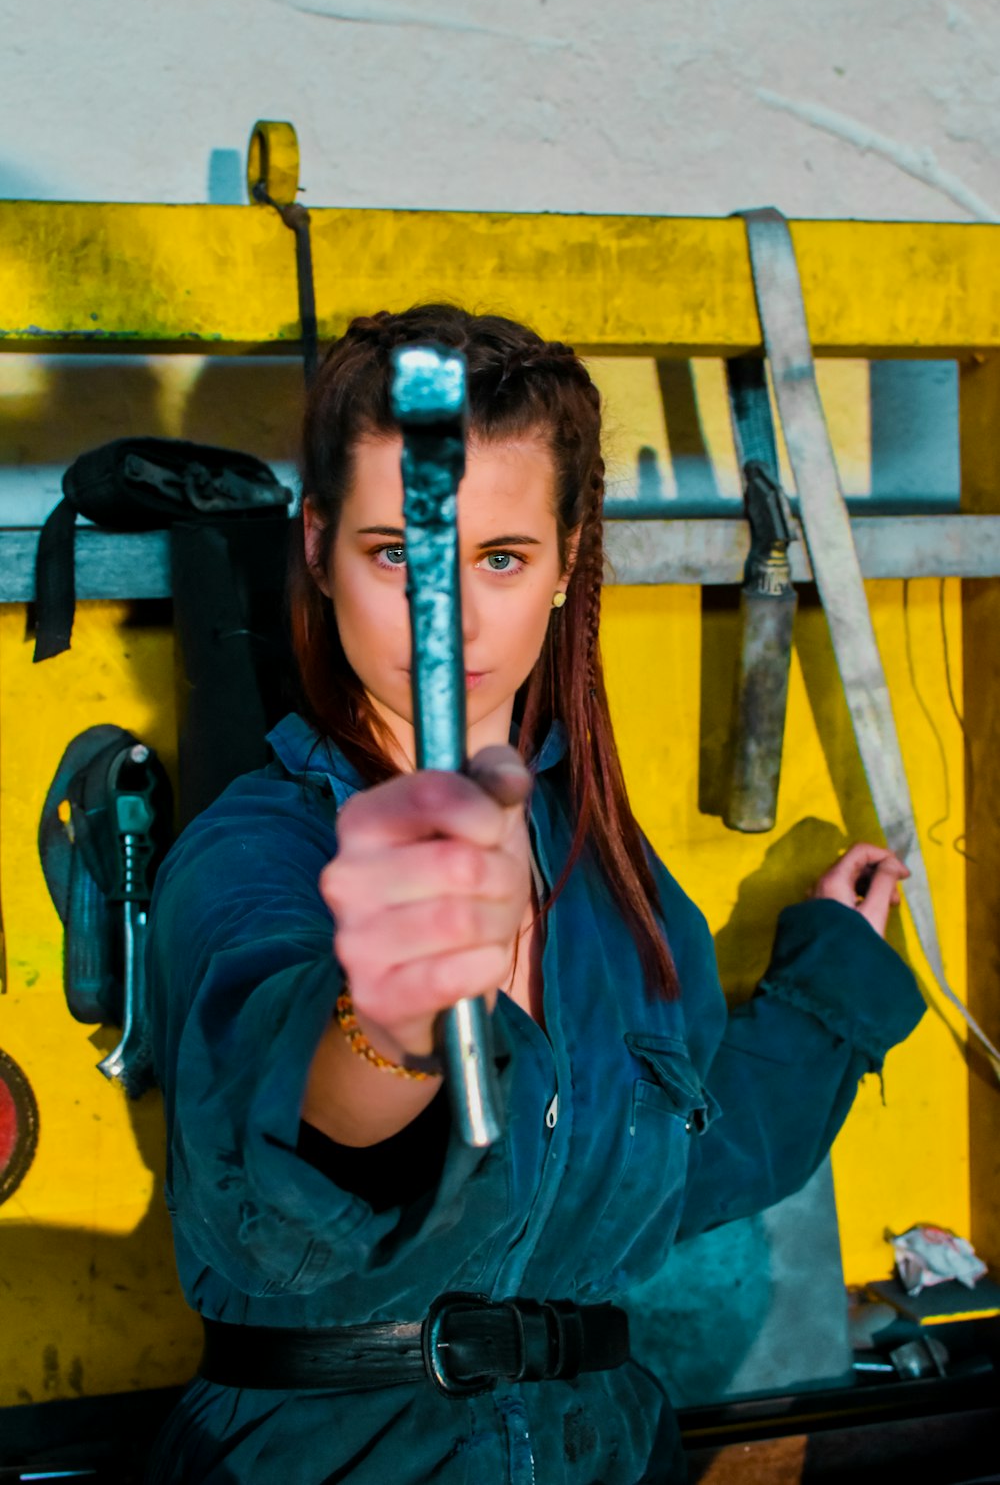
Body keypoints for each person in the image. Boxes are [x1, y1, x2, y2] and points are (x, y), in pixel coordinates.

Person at [145, 304, 924, 1485]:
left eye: (497, 558)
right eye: (398, 553)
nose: (446, 614)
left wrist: (829, 993)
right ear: (315, 546)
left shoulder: (620, 884)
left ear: (566, 564)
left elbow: (690, 1165)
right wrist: (397, 1022)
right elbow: (287, 1156)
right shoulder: (250, 854)